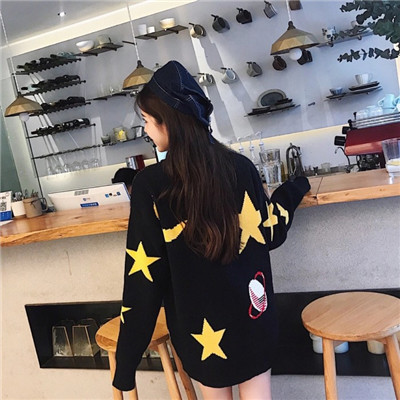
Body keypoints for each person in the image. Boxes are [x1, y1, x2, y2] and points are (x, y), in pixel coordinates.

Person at [113, 60, 310, 399]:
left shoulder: (151, 185)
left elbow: (143, 281)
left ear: (167, 122)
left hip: (202, 336)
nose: (145, 130)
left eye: (146, 121)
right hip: (254, 320)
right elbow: (271, 232)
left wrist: (126, 364)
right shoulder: (241, 167)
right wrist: (295, 188)